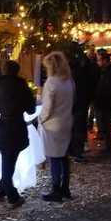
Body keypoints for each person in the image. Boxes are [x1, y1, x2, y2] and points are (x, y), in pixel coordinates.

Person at [0, 61, 36, 207]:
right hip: (18, 126)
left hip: (4, 127)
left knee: (8, 160)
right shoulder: (22, 85)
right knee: (10, 161)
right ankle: (12, 196)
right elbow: (31, 109)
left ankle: (1, 191)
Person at [39, 52, 76, 202]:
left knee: (54, 158)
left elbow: (47, 107)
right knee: (64, 157)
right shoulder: (69, 81)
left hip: (53, 125)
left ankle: (56, 190)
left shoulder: (51, 82)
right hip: (66, 121)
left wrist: (41, 119)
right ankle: (65, 188)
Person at [93, 51, 111, 152]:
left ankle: (108, 146)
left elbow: (109, 88)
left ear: (104, 60)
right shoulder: (102, 70)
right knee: (103, 124)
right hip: (101, 101)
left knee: (107, 125)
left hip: (107, 102)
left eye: (99, 60)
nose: (98, 62)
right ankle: (107, 144)